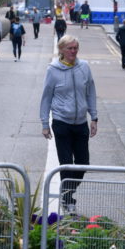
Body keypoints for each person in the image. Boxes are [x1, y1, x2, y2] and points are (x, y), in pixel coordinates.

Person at [40, 35, 98, 214]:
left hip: (80, 122)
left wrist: (94, 118)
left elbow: (91, 93)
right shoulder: (53, 70)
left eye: (75, 48)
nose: (73, 51)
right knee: (66, 163)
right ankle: (68, 199)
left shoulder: (84, 67)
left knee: (82, 163)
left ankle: (67, 192)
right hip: (61, 122)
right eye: (70, 48)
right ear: (62, 50)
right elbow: (46, 97)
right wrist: (45, 123)